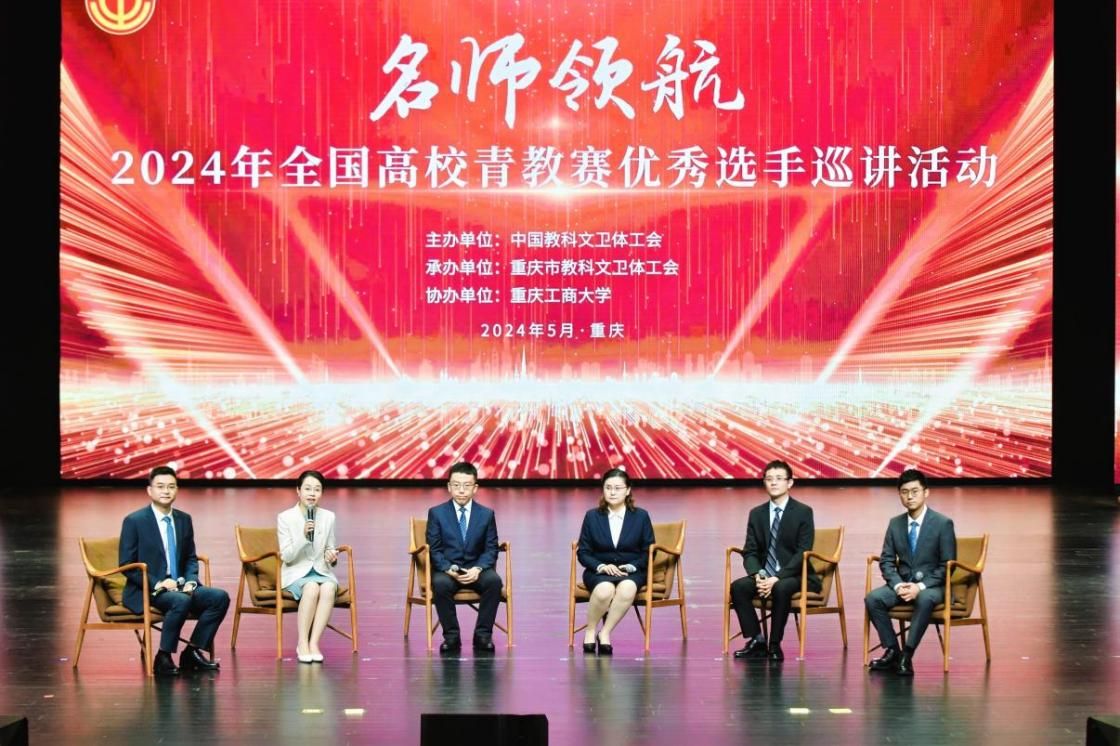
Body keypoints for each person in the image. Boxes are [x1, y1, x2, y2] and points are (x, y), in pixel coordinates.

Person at [119, 465, 230, 676]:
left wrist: (191, 581)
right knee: (180, 601)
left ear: (177, 490)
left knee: (219, 598)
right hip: (149, 589)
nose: (166, 491)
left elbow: (190, 557)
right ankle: (163, 657)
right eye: (160, 486)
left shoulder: (184, 519)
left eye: (171, 486)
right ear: (149, 490)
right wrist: (158, 583)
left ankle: (192, 652)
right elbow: (127, 564)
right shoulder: (134, 521)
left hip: (180, 586)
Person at [865, 468, 956, 676]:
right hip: (903, 583)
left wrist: (919, 587)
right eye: (905, 492)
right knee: (873, 599)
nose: (910, 496)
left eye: (915, 491)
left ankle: (907, 654)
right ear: (900, 495)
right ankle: (893, 651)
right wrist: (898, 585)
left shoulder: (942, 523)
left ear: (926, 492)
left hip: (933, 586)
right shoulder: (895, 523)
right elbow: (887, 561)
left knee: (924, 598)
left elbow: (947, 566)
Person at [728, 459, 817, 662]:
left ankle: (775, 644)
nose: (774, 482)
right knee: (739, 587)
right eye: (769, 479)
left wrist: (776, 578)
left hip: (795, 574)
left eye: (779, 478)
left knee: (781, 587)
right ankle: (757, 640)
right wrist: (758, 575)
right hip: (764, 573)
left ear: (790, 483)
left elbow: (803, 552)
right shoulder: (756, 514)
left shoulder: (803, 512)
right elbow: (750, 551)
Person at [425, 462, 503, 654]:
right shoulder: (437, 513)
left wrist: (478, 568)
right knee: (440, 584)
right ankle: (451, 637)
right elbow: (434, 549)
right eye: (456, 485)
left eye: (467, 485)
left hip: (476, 569)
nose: (461, 490)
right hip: (448, 570)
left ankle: (483, 635)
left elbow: (491, 548)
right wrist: (448, 568)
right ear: (449, 486)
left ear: (475, 488)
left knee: (494, 582)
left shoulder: (486, 514)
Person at [576, 467, 655, 655]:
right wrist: (602, 566)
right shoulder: (592, 516)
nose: (612, 492)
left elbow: (648, 552)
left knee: (627, 588)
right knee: (605, 590)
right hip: (599, 571)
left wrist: (631, 566)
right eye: (608, 487)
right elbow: (583, 552)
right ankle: (590, 630)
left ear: (628, 491)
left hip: (631, 571)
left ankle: (605, 633)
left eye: (618, 488)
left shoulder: (641, 516)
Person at [278, 470, 339, 663]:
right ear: (298, 491)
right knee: (311, 587)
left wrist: (331, 556)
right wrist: (303, 537)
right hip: (295, 572)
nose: (312, 493)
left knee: (328, 588)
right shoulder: (285, 517)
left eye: (317, 489)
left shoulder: (328, 517)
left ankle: (314, 643)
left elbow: (330, 547)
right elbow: (287, 556)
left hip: (321, 570)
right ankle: (302, 643)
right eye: (307, 489)